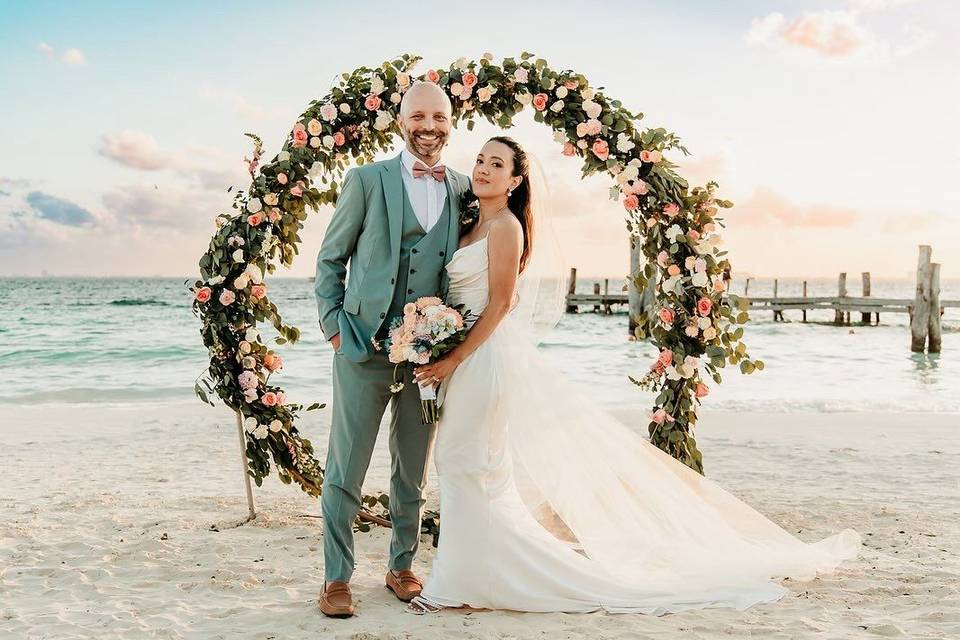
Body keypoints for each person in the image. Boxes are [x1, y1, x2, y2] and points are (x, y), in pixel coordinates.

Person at [407, 136, 861, 615]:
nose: (482, 169)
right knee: (474, 467)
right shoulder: (471, 224)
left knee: (464, 464)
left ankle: (456, 584)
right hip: (466, 356)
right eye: (479, 160)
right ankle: (480, 574)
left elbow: (500, 303)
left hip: (483, 361)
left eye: (495, 164)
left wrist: (452, 360)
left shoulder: (505, 228)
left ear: (515, 180)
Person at [313, 81, 470, 618]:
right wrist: (335, 328)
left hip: (427, 355)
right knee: (346, 465)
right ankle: (336, 577)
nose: (429, 125)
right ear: (401, 121)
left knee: (412, 469)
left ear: (452, 121)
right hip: (362, 348)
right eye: (418, 115)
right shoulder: (365, 180)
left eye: (439, 116)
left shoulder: (465, 188)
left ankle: (401, 564)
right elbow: (330, 259)